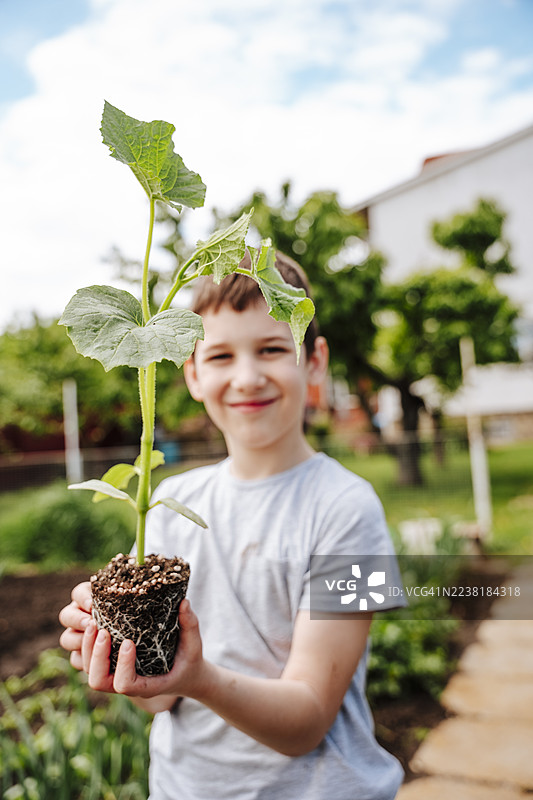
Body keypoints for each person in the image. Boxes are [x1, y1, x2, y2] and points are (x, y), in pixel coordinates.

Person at [59, 252, 405, 800]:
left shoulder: (349, 508)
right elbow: (157, 696)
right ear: (192, 371)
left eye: (272, 348)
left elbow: (308, 720)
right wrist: (115, 651)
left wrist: (199, 678)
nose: (247, 377)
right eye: (220, 355)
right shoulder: (170, 502)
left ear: (315, 361)